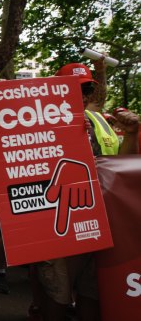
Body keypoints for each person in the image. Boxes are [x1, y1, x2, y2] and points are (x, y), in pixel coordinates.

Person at [36, 62, 139, 321]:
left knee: (92, 292)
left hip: (100, 223)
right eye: (70, 88)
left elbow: (118, 172)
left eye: (85, 89)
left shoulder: (99, 122)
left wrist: (131, 135)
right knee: (57, 293)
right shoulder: (36, 122)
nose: (79, 95)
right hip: (60, 224)